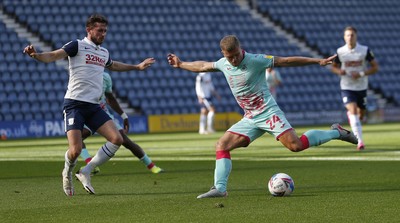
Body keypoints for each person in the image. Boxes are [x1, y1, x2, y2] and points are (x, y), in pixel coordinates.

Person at [167, 35, 358, 199]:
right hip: (250, 117)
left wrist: (317, 61)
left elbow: (286, 61)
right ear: (224, 54)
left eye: (235, 55)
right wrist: (181, 64)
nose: (233, 60)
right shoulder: (223, 63)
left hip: (268, 112)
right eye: (229, 57)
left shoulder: (256, 60)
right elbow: (203, 65)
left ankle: (337, 133)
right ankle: (220, 188)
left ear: (240, 49)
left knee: (296, 146)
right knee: (222, 145)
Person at [23, 14, 155, 196]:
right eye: (100, 30)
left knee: (117, 139)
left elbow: (114, 65)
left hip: (93, 106)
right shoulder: (77, 45)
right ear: (89, 30)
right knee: (75, 150)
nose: (103, 34)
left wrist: (137, 67)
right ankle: (67, 172)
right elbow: (54, 55)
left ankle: (86, 171)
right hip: (74, 104)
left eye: (105, 31)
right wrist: (36, 55)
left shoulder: (103, 52)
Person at [79, 72, 163, 174]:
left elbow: (110, 98)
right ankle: (90, 164)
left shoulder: (105, 77)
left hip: (102, 113)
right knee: (77, 137)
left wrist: (123, 115)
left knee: (125, 140)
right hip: (87, 113)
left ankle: (151, 166)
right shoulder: (83, 74)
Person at [330, 26, 379, 151]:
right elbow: (333, 67)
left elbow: (375, 67)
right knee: (353, 110)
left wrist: (361, 74)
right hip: (347, 86)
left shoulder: (364, 50)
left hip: (361, 86)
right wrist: (339, 71)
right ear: (344, 37)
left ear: (356, 36)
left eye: (352, 35)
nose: (350, 37)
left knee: (361, 114)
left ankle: (355, 119)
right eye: (347, 35)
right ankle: (359, 141)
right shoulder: (340, 51)